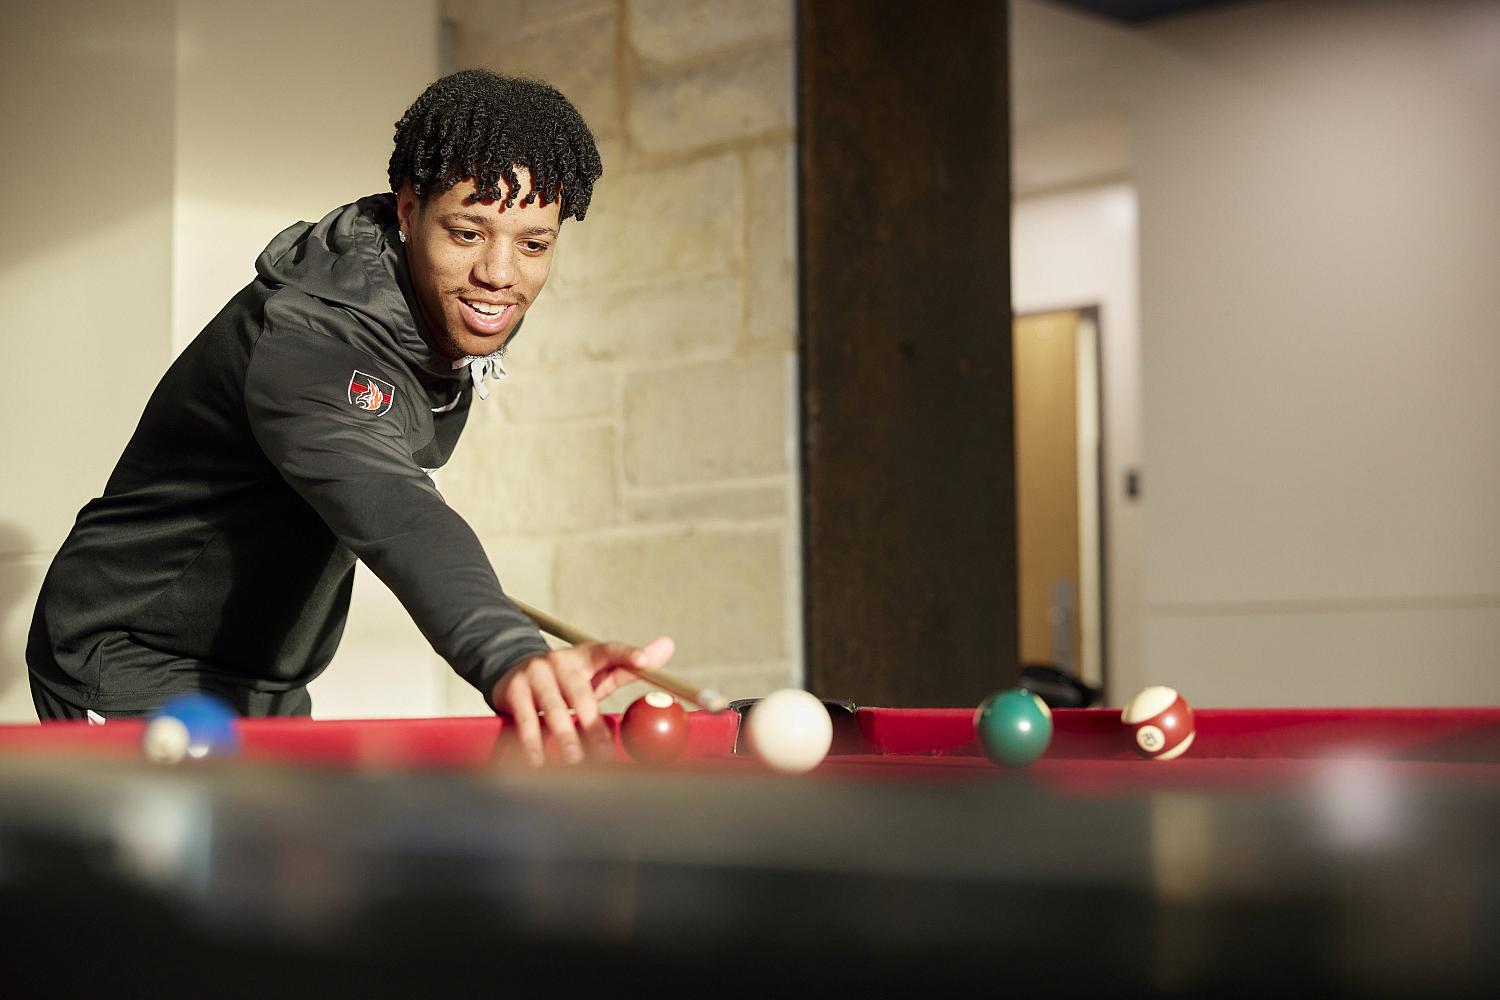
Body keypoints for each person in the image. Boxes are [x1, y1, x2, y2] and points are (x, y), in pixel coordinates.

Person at [26, 69, 672, 765]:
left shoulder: (433, 323)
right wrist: (509, 652)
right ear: (407, 211)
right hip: (130, 660)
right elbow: (394, 506)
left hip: (262, 682)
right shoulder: (310, 345)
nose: (500, 272)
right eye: (467, 232)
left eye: (534, 244)